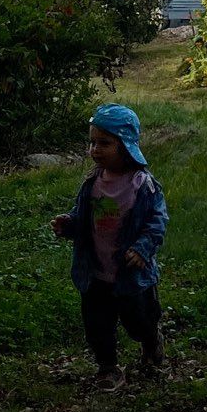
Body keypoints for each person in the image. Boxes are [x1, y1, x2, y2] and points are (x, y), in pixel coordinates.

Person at [50, 103, 169, 382]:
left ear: (125, 145)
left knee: (139, 321)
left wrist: (142, 248)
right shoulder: (93, 182)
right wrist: (69, 224)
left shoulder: (142, 184)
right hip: (95, 272)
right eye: (92, 142)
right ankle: (108, 367)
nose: (95, 150)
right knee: (97, 324)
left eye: (104, 143)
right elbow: (84, 215)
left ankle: (151, 343)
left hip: (131, 273)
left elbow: (157, 220)